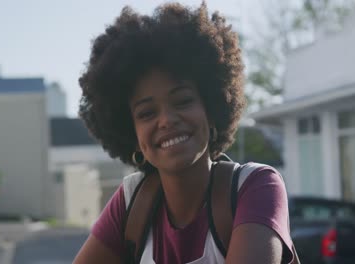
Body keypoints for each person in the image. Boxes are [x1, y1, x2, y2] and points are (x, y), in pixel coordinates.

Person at [74, 2, 295, 263]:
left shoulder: (255, 186)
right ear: (131, 134)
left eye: (182, 101)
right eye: (147, 113)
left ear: (211, 109)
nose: (167, 120)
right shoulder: (132, 202)